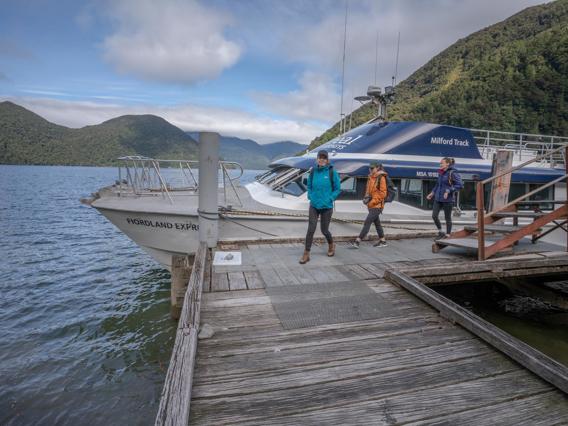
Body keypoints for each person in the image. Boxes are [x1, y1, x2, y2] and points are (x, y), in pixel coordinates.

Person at [299, 150, 341, 264]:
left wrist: (330, 198)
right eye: (320, 157)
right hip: (314, 205)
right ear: (317, 159)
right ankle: (306, 254)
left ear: (327, 160)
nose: (322, 160)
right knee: (310, 229)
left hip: (327, 206)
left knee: (324, 230)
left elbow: (337, 188)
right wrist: (310, 195)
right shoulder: (313, 171)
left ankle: (331, 245)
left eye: (324, 158)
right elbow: (309, 185)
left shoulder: (332, 172)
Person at [351, 162, 388, 248]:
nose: (371, 170)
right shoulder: (370, 177)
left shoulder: (381, 178)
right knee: (377, 223)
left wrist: (372, 202)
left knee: (367, 222)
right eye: (370, 168)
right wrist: (366, 199)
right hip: (371, 205)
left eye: (372, 168)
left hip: (377, 205)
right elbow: (368, 190)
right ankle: (383, 241)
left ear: (377, 168)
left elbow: (383, 194)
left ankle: (357, 241)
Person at [427, 157, 463, 239]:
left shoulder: (453, 173)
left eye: (442, 163)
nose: (440, 164)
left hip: (448, 200)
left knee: (448, 218)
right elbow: (437, 185)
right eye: (440, 163)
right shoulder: (441, 172)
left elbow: (460, 185)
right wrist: (432, 193)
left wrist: (449, 190)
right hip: (438, 198)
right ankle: (441, 232)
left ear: (447, 164)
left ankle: (448, 234)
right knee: (434, 216)